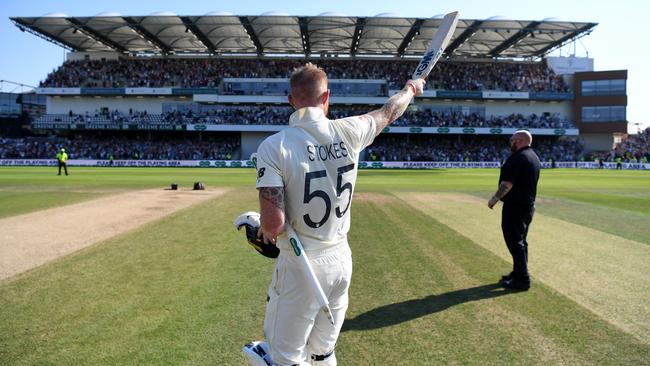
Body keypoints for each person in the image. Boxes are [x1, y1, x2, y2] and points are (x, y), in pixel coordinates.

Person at [251, 63, 424, 365]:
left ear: (290, 100)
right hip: (342, 260)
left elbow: (274, 225)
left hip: (302, 264)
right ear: (326, 96)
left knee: (285, 357)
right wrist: (410, 89)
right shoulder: (351, 129)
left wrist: (257, 230)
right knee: (322, 352)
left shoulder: (274, 146)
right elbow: (389, 111)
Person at [487, 131, 540, 291]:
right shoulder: (533, 156)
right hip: (527, 206)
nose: (510, 142)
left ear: (519, 140)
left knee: (514, 242)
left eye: (511, 140)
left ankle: (522, 279)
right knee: (521, 241)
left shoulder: (517, 158)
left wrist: (494, 199)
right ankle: (518, 273)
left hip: (516, 206)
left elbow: (507, 184)